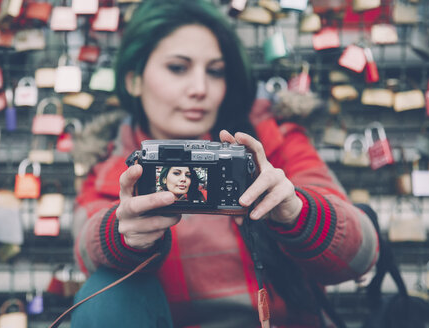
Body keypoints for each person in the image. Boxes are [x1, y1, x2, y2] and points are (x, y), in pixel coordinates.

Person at [71, 0, 379, 327]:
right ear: (133, 80)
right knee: (107, 292)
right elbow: (86, 250)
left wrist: (298, 212)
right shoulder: (113, 163)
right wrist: (121, 236)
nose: (200, 89)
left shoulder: (269, 141)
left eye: (215, 71)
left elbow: (361, 253)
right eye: (178, 67)